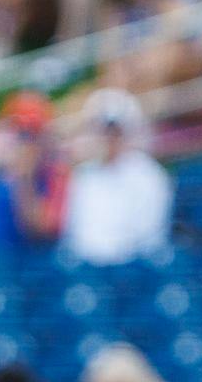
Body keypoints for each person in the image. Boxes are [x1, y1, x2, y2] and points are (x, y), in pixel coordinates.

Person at [60, 89, 171, 266]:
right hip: (88, 270)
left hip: (134, 270)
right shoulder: (83, 176)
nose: (108, 137)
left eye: (114, 131)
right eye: (103, 130)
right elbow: (75, 235)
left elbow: (147, 237)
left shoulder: (149, 176)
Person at [0, 92, 68, 253]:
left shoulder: (55, 174)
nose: (22, 142)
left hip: (15, 267)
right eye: (18, 132)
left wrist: (25, 179)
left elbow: (39, 231)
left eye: (28, 134)